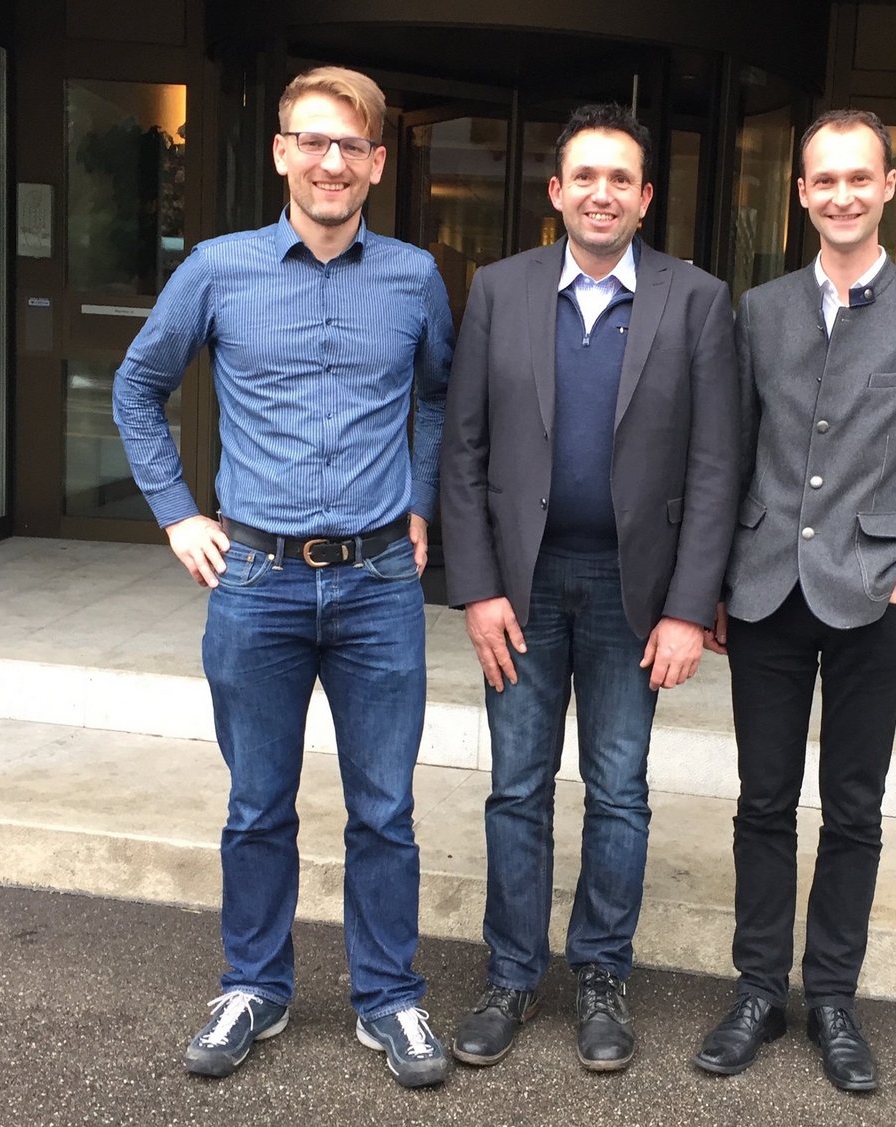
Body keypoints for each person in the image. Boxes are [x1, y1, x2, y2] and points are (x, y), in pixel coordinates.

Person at [112, 65, 454, 1089]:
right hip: (254, 577)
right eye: (312, 141)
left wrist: (422, 499)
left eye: (350, 147)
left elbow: (438, 397)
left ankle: (388, 996)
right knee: (257, 802)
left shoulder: (415, 277)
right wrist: (176, 512)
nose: (330, 162)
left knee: (382, 808)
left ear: (378, 164)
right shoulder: (216, 270)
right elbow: (138, 385)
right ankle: (253, 984)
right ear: (280, 153)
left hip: (378, 580)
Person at [440, 103, 740, 1072]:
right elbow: (464, 450)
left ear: (644, 196)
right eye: (585, 176)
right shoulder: (497, 289)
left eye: (622, 178)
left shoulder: (695, 300)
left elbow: (714, 465)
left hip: (630, 593)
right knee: (515, 788)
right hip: (520, 591)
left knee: (618, 792)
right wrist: (477, 586)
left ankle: (601, 975)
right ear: (555, 191)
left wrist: (690, 604)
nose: (602, 192)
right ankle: (511, 974)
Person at [692, 108, 896, 1092]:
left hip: (873, 595)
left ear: (887, 185)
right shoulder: (760, 310)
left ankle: (830, 996)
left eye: (858, 178)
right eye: (823, 180)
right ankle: (753, 989)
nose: (840, 194)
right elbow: (728, 453)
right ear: (802, 193)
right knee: (761, 802)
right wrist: (719, 579)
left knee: (853, 808)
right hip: (767, 589)